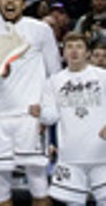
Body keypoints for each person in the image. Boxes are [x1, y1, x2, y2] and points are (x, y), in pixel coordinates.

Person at [0, 0, 61, 206]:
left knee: (37, 180)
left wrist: (47, 111)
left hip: (30, 116)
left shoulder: (40, 30)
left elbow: (54, 73)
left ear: (24, 4)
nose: (10, 2)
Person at [41, 32, 106, 206]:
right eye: (69, 47)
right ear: (63, 52)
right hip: (70, 155)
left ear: (87, 53)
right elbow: (50, 117)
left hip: (102, 154)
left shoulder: (102, 77)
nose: (74, 51)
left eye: (79, 47)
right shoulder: (54, 81)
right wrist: (39, 112)